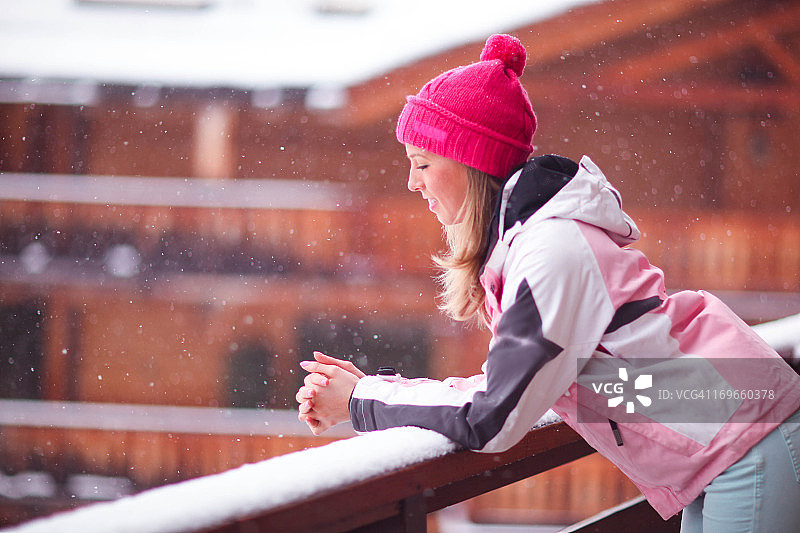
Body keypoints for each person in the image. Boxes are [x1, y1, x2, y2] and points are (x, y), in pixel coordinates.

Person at [295, 34, 800, 532]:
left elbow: (492, 416)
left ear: (471, 164)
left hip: (744, 438)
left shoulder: (552, 251)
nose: (413, 183)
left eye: (423, 163)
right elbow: (513, 385)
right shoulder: (533, 243)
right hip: (729, 440)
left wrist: (363, 400)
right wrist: (372, 390)